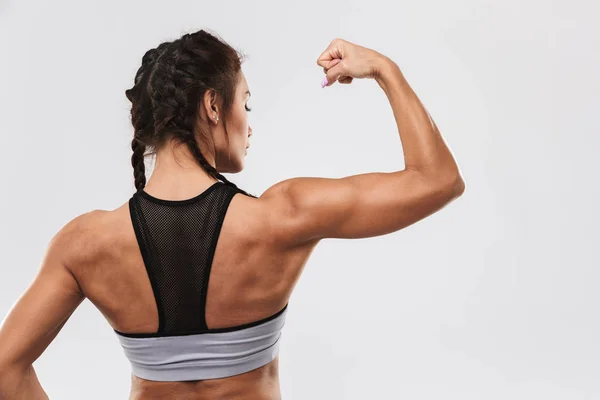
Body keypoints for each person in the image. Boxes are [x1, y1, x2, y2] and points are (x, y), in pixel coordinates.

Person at [0, 30, 465, 400]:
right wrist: (385, 69)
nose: (249, 122)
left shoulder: (85, 243)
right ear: (212, 105)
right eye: (246, 102)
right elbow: (437, 180)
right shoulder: (283, 217)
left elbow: (5, 371)